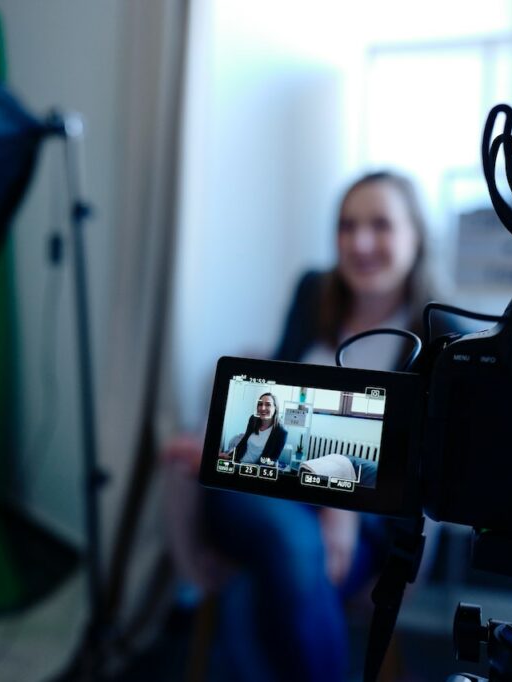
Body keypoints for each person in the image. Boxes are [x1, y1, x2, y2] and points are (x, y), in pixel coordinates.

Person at [201, 170, 438, 682]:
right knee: (293, 543)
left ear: (416, 236)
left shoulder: (441, 334)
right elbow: (271, 400)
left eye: (380, 225)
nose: (361, 242)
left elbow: (428, 469)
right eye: (347, 227)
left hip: (366, 527)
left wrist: (343, 502)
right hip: (261, 491)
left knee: (255, 591)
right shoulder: (314, 292)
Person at [221, 393, 289, 465]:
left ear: (275, 408)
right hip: (238, 462)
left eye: (268, 405)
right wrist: (230, 456)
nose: (263, 408)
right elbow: (243, 442)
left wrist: (255, 470)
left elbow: (273, 459)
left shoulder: (281, 432)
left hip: (256, 469)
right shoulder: (253, 419)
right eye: (260, 404)